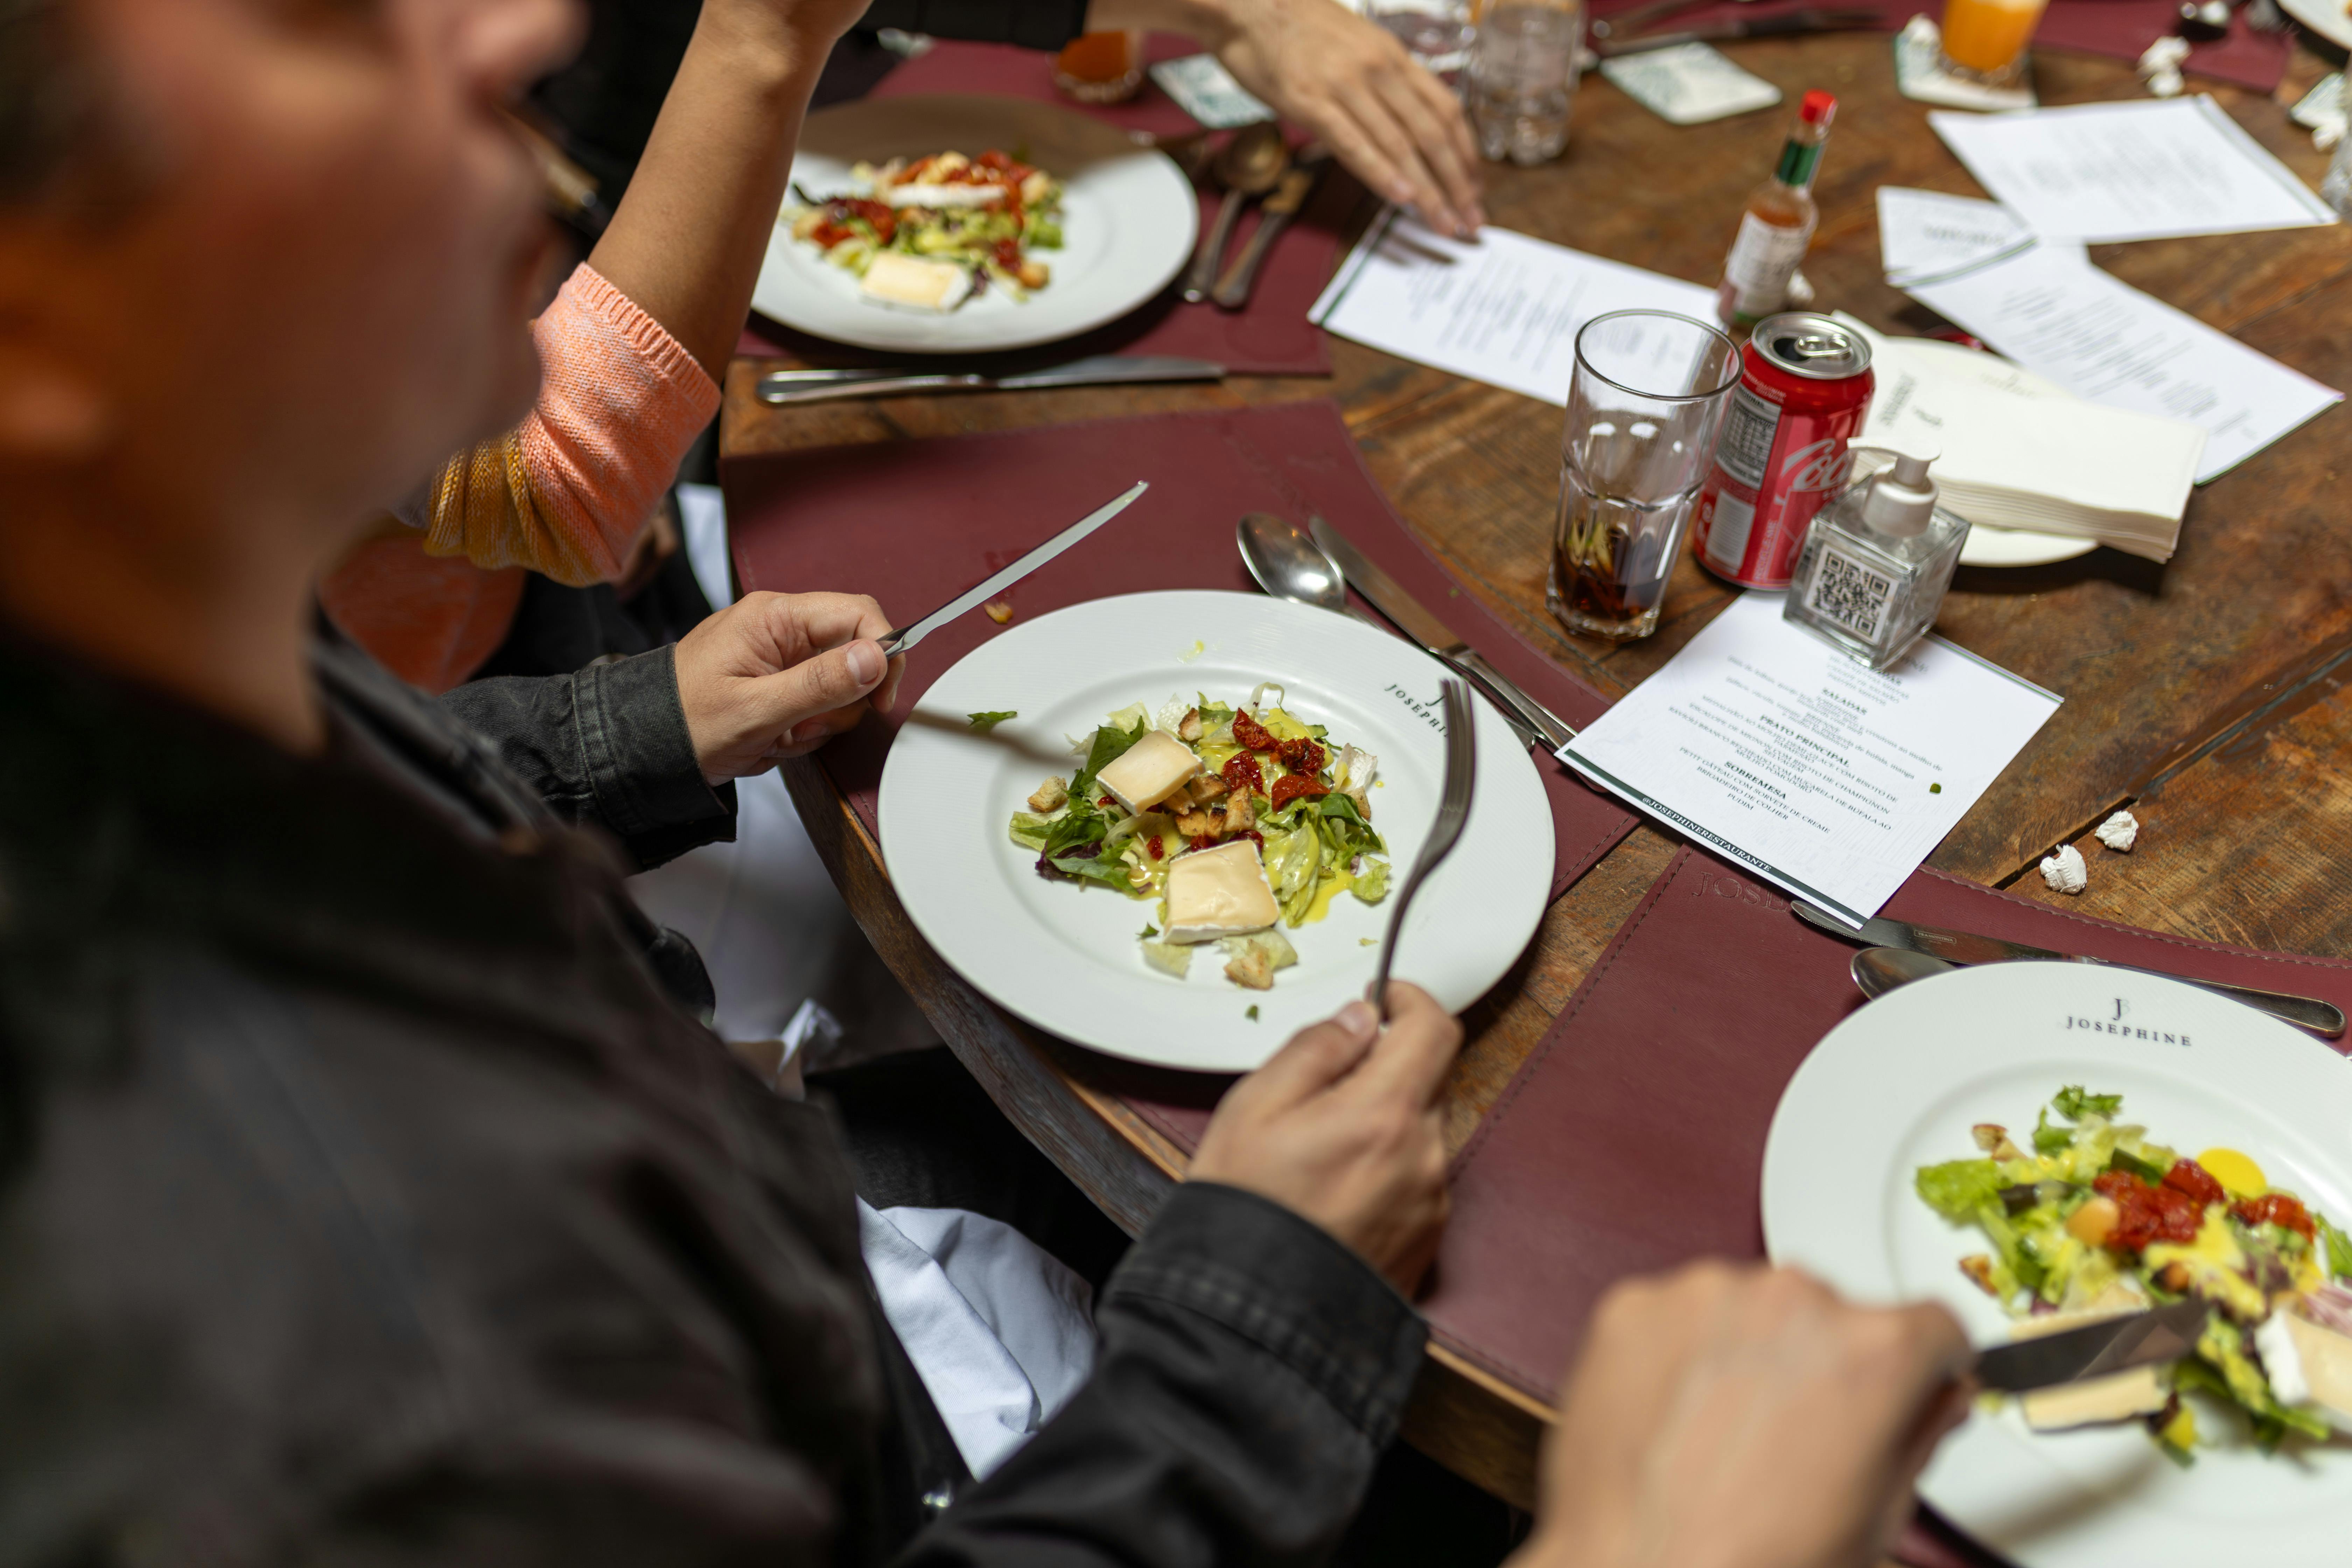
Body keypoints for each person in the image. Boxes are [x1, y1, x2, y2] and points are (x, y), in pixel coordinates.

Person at [0, 0, 1973, 1563]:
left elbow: (400, 752)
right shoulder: (370, 1360)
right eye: (311, 14)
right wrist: (1273, 1320)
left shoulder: (142, 662)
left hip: (788, 1221)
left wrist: (632, 727)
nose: (520, 23)